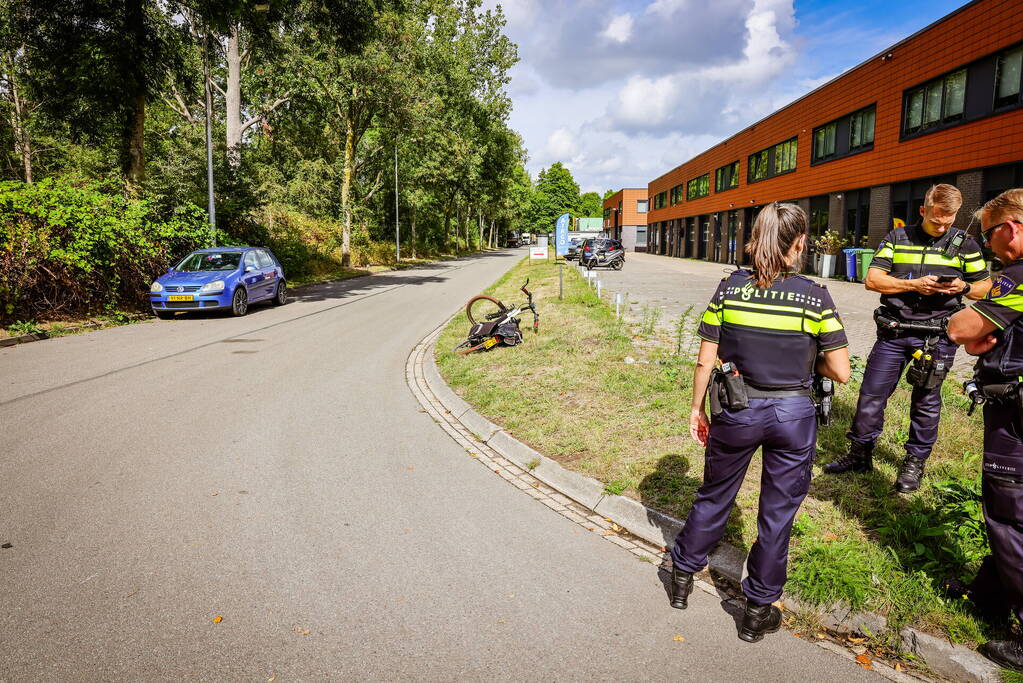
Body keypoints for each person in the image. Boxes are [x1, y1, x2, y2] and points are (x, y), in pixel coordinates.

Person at [668, 203, 850, 642]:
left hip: (736, 410)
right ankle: (757, 610)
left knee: (715, 494)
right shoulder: (815, 296)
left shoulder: (729, 289)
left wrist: (696, 410)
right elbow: (842, 371)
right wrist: (807, 370)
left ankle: (681, 577)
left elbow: (704, 359)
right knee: (776, 514)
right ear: (800, 243)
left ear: (755, 239)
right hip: (792, 415)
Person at [824, 184, 991, 492]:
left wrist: (962, 288)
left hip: (937, 336)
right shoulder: (897, 238)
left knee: (926, 402)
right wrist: (913, 285)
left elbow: (985, 286)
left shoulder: (965, 244)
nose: (942, 226)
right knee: (872, 396)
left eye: (948, 220)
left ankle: (914, 464)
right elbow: (872, 280)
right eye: (936, 219)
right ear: (923, 210)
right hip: (895, 332)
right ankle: (860, 454)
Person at [946, 188, 1023, 673]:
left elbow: (959, 328)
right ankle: (989, 596)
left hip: (1015, 418)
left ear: (1011, 228)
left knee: (1010, 513)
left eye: (990, 234)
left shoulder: (1016, 277)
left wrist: (977, 335)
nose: (988, 246)